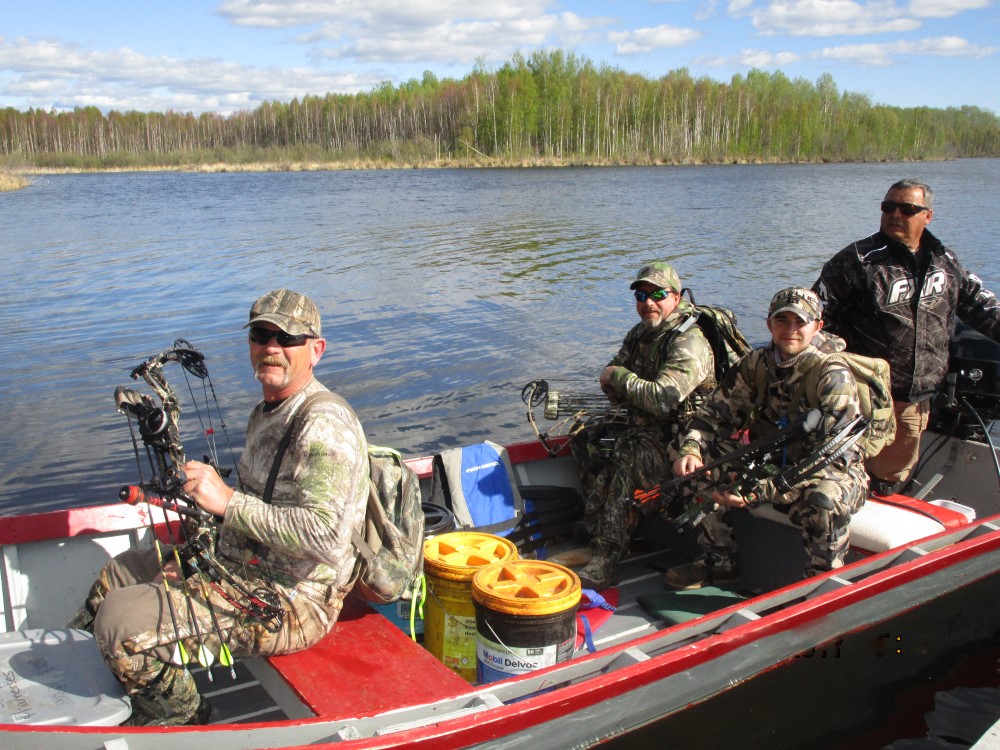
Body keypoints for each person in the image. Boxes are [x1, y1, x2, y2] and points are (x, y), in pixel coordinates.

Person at [68, 289, 370, 726]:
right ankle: (78, 694)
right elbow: (257, 514)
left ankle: (185, 717)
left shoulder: (323, 424)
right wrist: (196, 562)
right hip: (243, 568)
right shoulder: (267, 411)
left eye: (287, 338)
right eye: (261, 335)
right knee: (118, 574)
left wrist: (227, 501)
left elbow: (326, 537)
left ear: (315, 350)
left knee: (120, 622)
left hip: (294, 601)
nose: (271, 347)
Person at [664, 287, 868, 589]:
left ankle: (822, 585)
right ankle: (719, 562)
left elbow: (833, 458)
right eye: (782, 321)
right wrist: (692, 447)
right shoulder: (757, 363)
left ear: (817, 326)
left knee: (823, 502)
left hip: (830, 470)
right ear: (769, 323)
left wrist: (759, 491)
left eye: (800, 323)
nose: (790, 330)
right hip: (771, 461)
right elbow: (713, 415)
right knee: (694, 464)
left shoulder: (832, 374)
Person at [813, 179, 1000, 496]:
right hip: (865, 397)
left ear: (928, 216)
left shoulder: (945, 261)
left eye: (907, 209)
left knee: (889, 479)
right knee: (848, 475)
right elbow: (815, 321)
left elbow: (978, 305)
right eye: (889, 207)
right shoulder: (858, 261)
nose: (895, 214)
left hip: (916, 397)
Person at [572, 261, 715, 590]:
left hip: (687, 440)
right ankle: (597, 522)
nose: (648, 302)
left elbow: (660, 398)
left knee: (629, 452)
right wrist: (619, 383)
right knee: (588, 438)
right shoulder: (640, 334)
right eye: (641, 295)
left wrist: (620, 379)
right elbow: (611, 373)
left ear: (675, 298)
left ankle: (608, 556)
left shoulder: (688, 342)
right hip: (645, 427)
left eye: (658, 294)